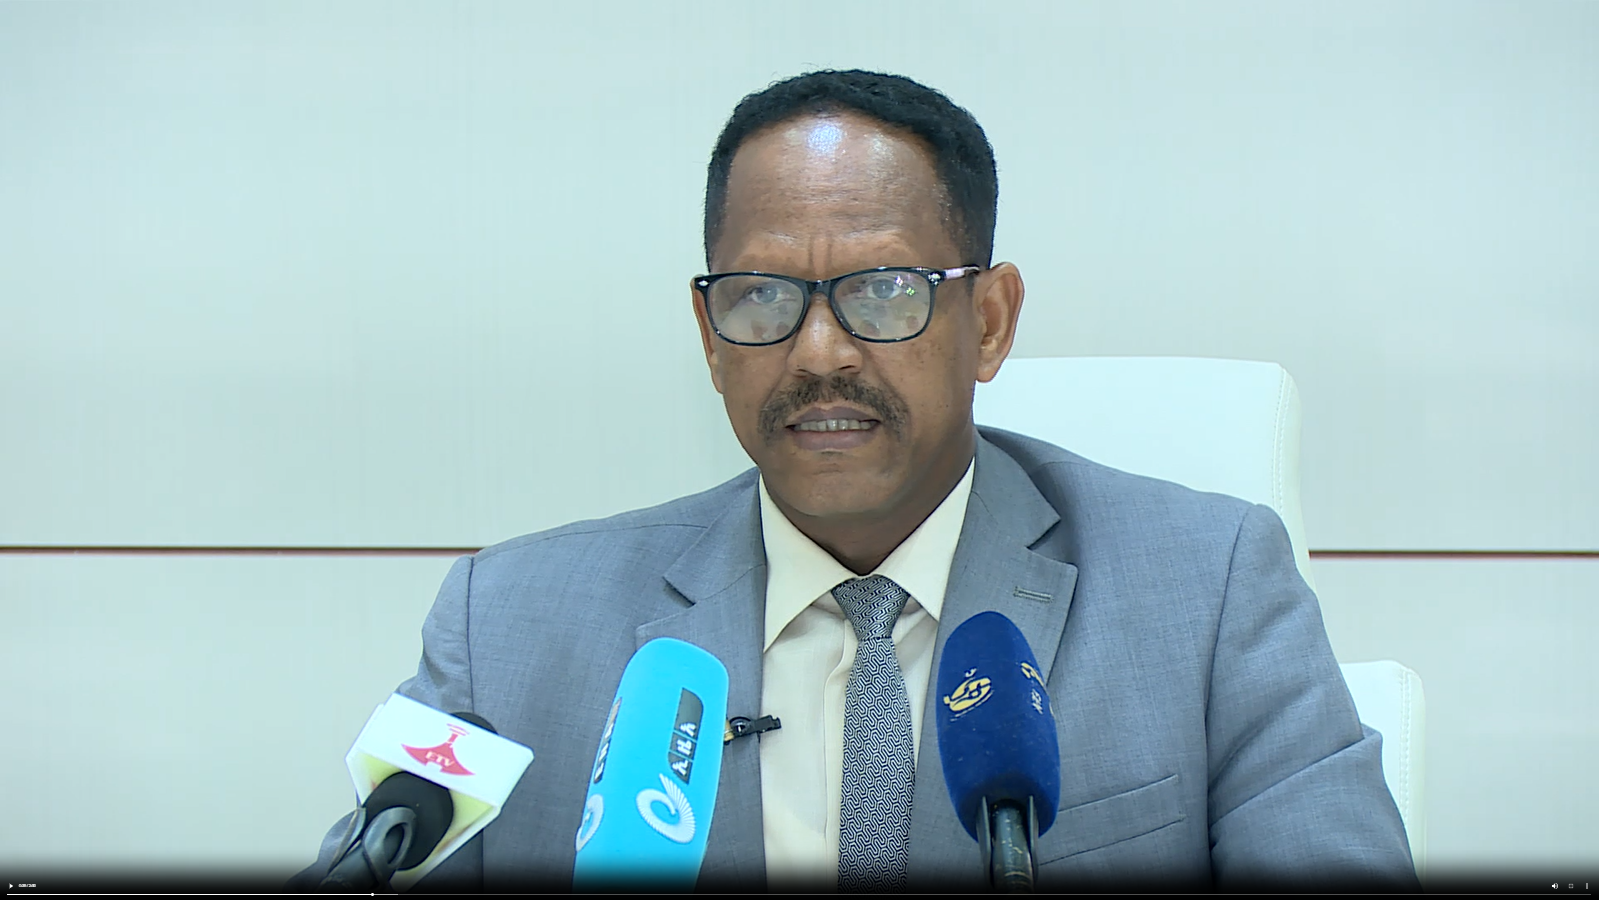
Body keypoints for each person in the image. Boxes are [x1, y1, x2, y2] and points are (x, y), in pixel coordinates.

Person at [293, 69, 1417, 892]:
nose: (819, 350)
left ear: (989, 320)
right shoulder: (510, 629)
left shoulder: (1209, 593)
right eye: (760, 296)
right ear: (709, 334)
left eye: (884, 291)